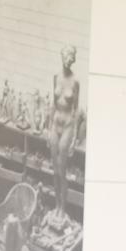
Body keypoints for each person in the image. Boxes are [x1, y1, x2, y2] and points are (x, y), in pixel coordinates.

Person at [49, 45, 81, 225]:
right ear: (62, 56)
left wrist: (75, 138)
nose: (68, 59)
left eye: (71, 57)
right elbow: (53, 104)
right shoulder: (56, 77)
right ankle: (56, 205)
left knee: (62, 170)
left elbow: (76, 110)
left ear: (73, 59)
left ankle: (63, 209)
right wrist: (47, 129)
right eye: (66, 55)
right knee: (54, 170)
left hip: (67, 125)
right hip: (55, 124)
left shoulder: (75, 81)